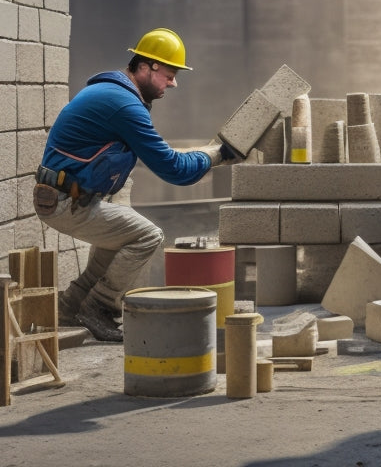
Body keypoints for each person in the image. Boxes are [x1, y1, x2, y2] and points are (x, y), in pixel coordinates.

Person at [32, 28, 238, 342]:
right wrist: (217, 155)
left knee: (116, 243)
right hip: (65, 201)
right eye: (170, 74)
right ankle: (100, 308)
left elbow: (159, 155)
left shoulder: (116, 95)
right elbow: (173, 169)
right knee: (148, 236)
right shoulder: (124, 106)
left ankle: (70, 306)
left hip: (73, 196)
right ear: (147, 66)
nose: (174, 82)